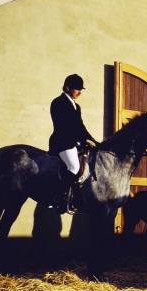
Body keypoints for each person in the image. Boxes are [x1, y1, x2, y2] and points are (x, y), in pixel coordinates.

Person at [48, 73, 97, 214]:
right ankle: (59, 200)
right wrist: (82, 140)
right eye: (77, 88)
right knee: (74, 167)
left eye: (81, 89)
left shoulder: (76, 106)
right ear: (67, 87)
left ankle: (74, 199)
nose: (79, 91)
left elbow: (80, 126)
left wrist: (92, 140)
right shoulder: (58, 103)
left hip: (74, 142)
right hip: (62, 142)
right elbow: (64, 126)